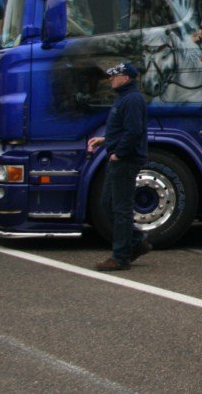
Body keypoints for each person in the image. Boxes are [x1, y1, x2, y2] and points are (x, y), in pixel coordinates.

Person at [88, 61, 150, 271]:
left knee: (121, 209)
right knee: (107, 204)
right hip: (119, 158)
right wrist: (104, 140)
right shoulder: (124, 98)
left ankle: (120, 257)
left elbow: (134, 131)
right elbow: (123, 129)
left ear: (126, 78)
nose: (111, 79)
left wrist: (119, 153)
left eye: (115, 76)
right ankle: (137, 242)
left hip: (125, 160)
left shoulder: (132, 99)